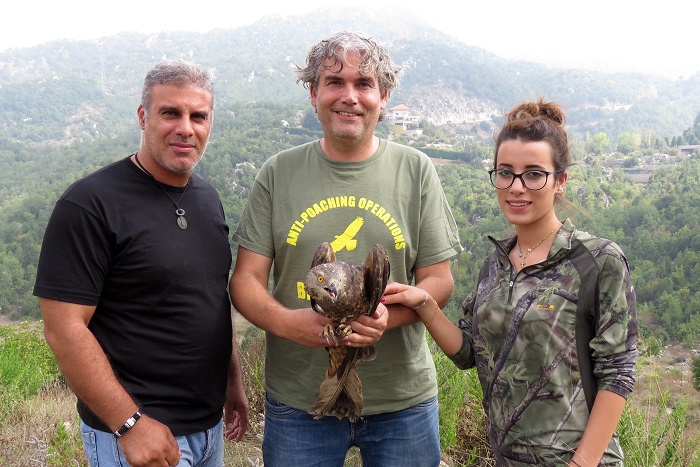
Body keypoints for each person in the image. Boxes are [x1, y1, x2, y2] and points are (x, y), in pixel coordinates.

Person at [229, 31, 462, 466]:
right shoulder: (278, 173)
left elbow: (438, 280)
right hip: (299, 401)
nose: (349, 96)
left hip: (401, 402)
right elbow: (245, 279)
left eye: (365, 84)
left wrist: (387, 318)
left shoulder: (416, 171)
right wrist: (286, 323)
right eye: (335, 82)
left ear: (384, 96)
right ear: (314, 93)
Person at [382, 99, 639, 466]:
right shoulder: (496, 265)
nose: (516, 187)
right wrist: (423, 302)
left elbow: (618, 372)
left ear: (560, 181)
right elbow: (469, 353)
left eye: (534, 174)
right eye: (505, 172)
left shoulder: (596, 261)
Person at [34, 60, 249, 467]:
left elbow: (209, 300)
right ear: (143, 116)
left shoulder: (207, 199)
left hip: (208, 430)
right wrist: (130, 425)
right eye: (171, 112)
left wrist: (232, 382)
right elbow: (63, 329)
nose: (186, 127)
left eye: (198, 116)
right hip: (137, 436)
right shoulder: (89, 204)